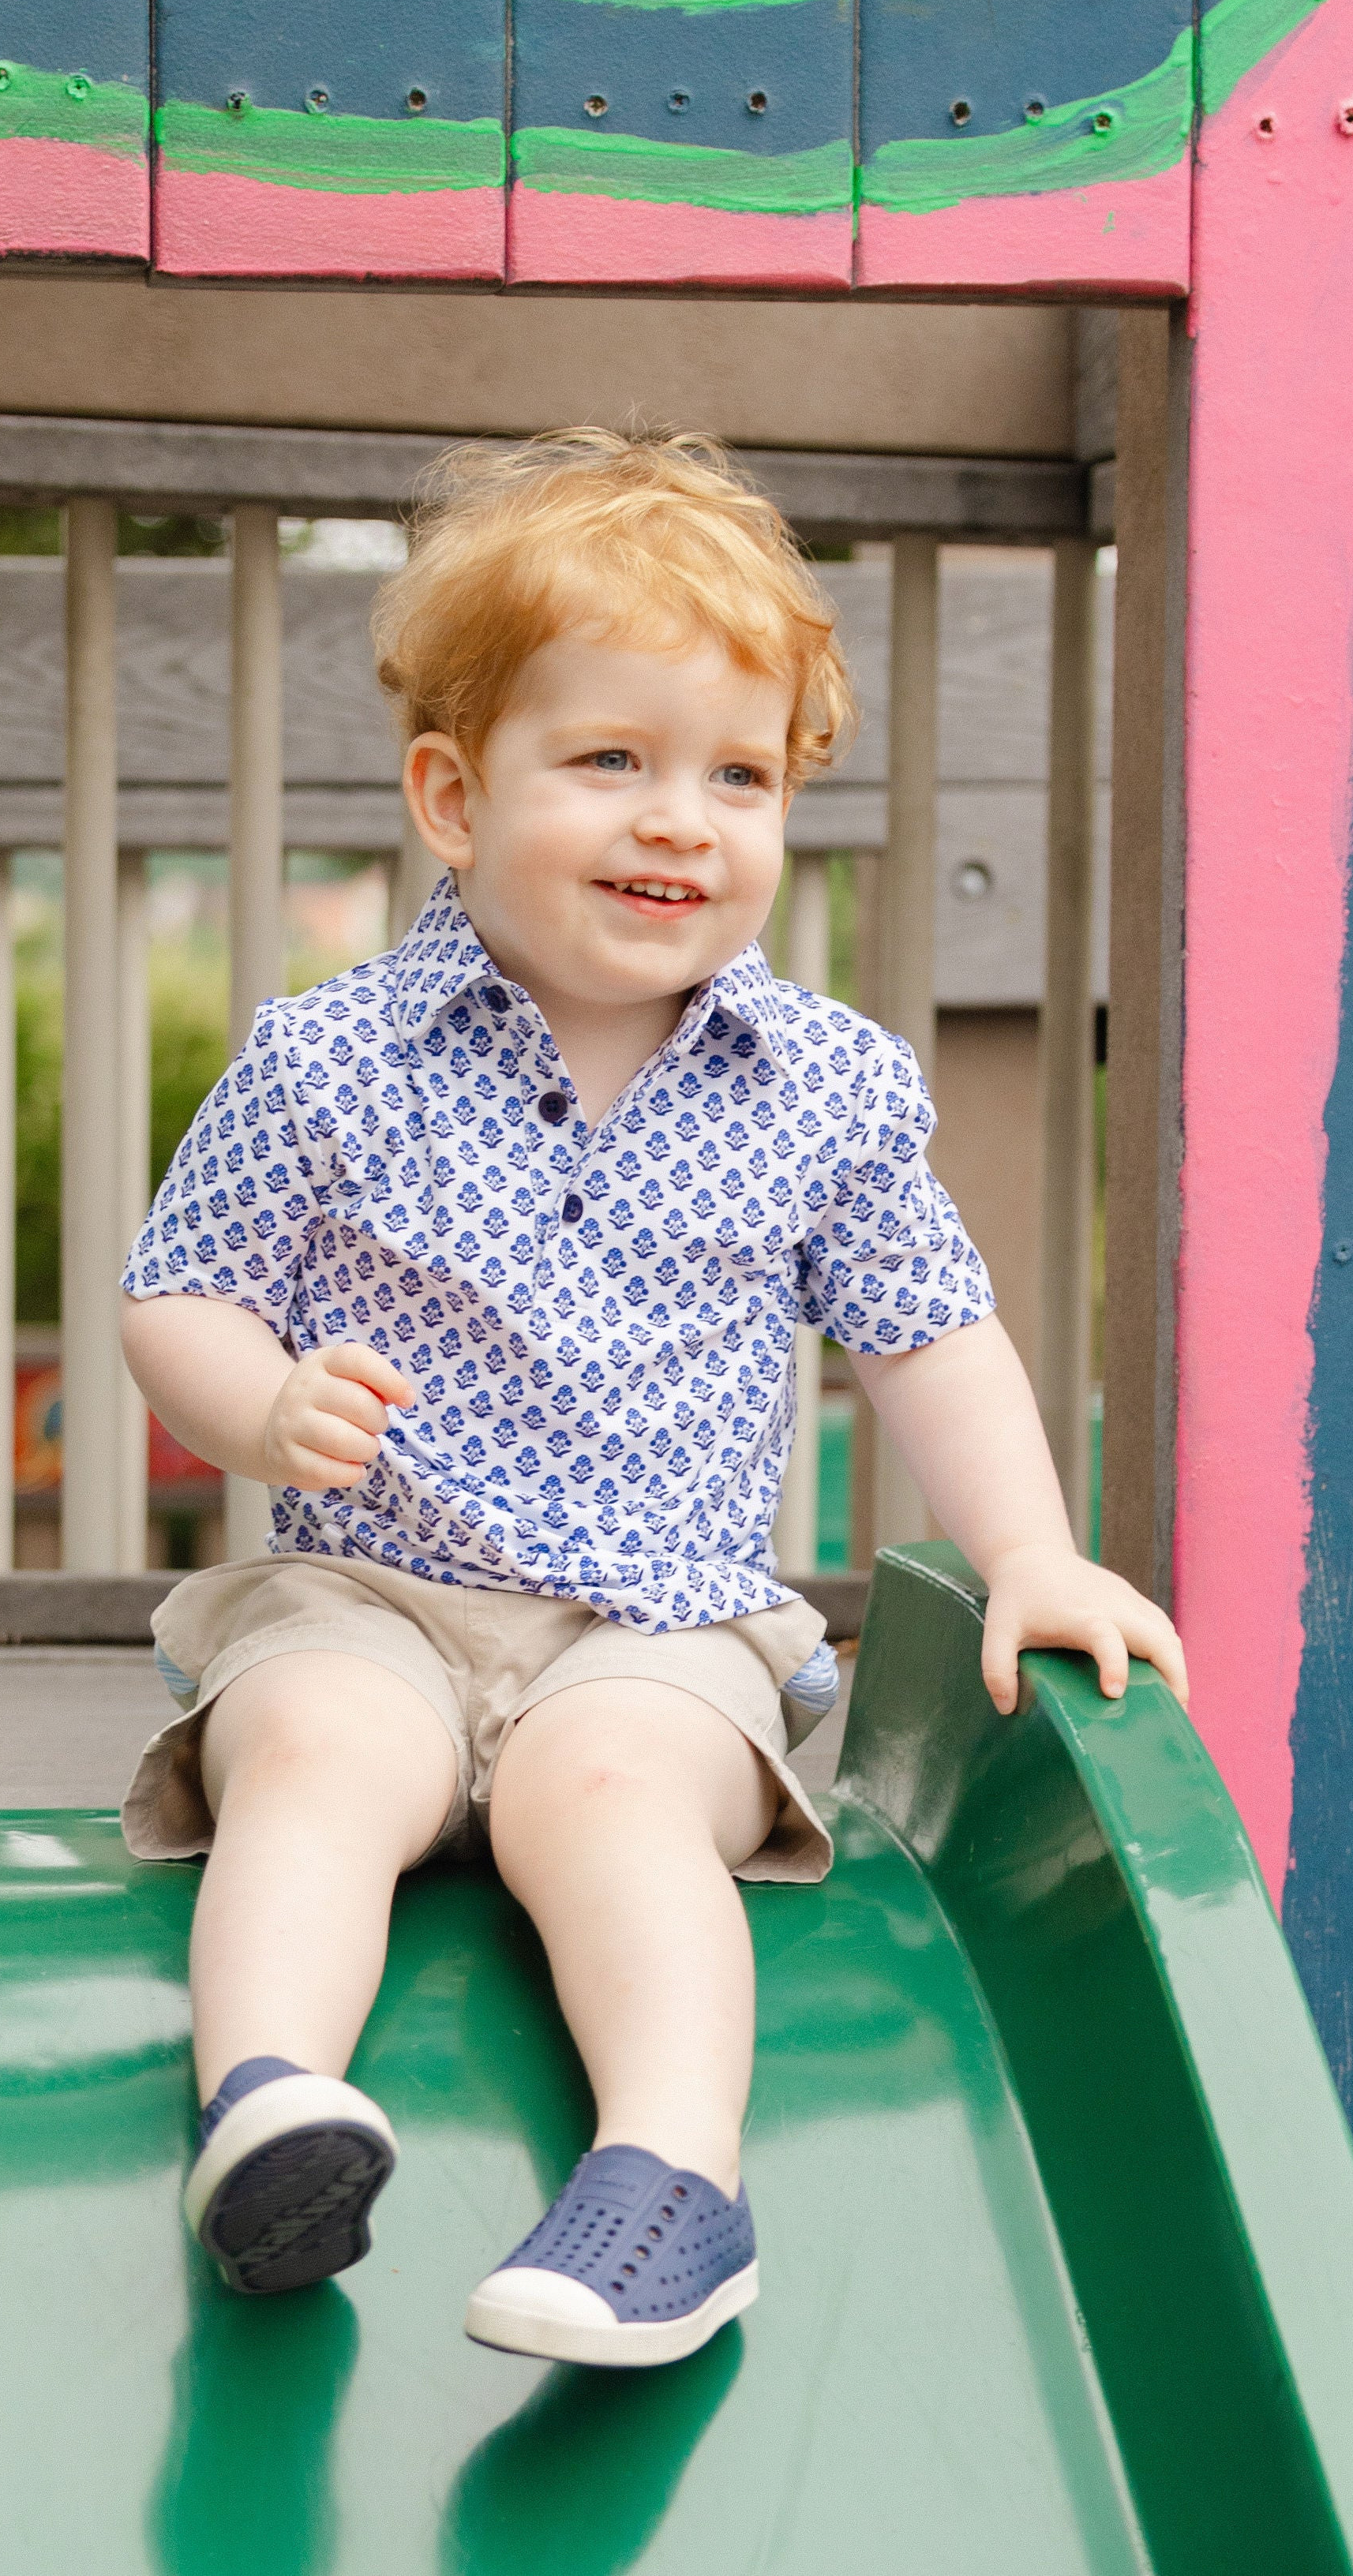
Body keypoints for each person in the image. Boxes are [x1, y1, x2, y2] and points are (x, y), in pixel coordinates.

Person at [118, 429, 1187, 2371]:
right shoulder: (324, 1061)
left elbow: (928, 1334)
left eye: (736, 776)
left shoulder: (821, 1089)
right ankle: (267, 2104)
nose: (677, 820)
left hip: (656, 1630)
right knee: (309, 1752)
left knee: (609, 1796)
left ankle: (671, 2183)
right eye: (609, 760)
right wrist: (262, 1410)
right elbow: (177, 1296)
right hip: (371, 1590)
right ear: (454, 797)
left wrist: (1030, 1552)